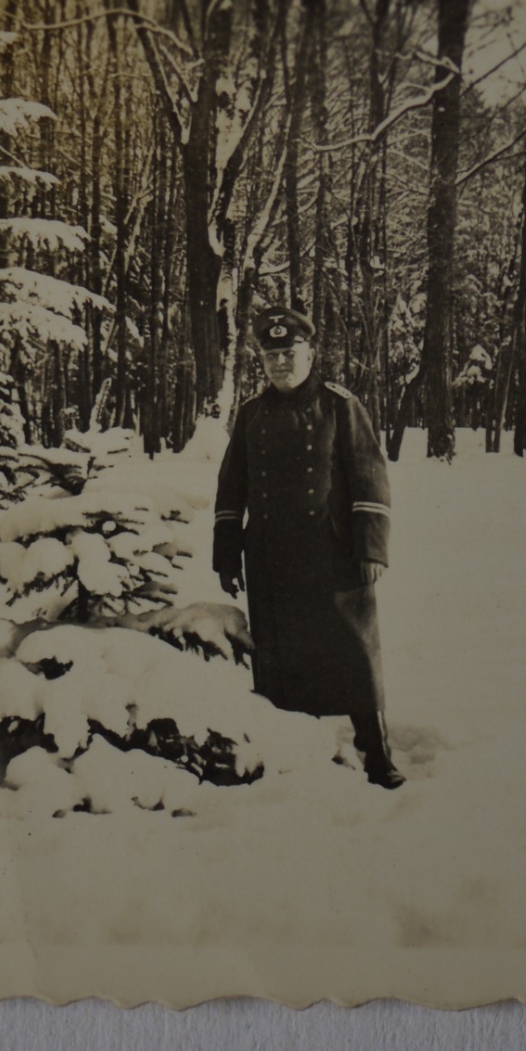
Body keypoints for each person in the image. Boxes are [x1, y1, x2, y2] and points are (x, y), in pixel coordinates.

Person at [213, 305, 406, 788]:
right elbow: (231, 487)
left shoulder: (340, 406)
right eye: (271, 355)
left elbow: (370, 479)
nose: (280, 363)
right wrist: (227, 554)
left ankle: (377, 752)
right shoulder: (251, 414)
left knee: (354, 654)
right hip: (270, 559)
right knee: (281, 661)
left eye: (290, 353)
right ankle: (293, 756)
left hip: (333, 556)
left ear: (310, 354)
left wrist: (371, 549)